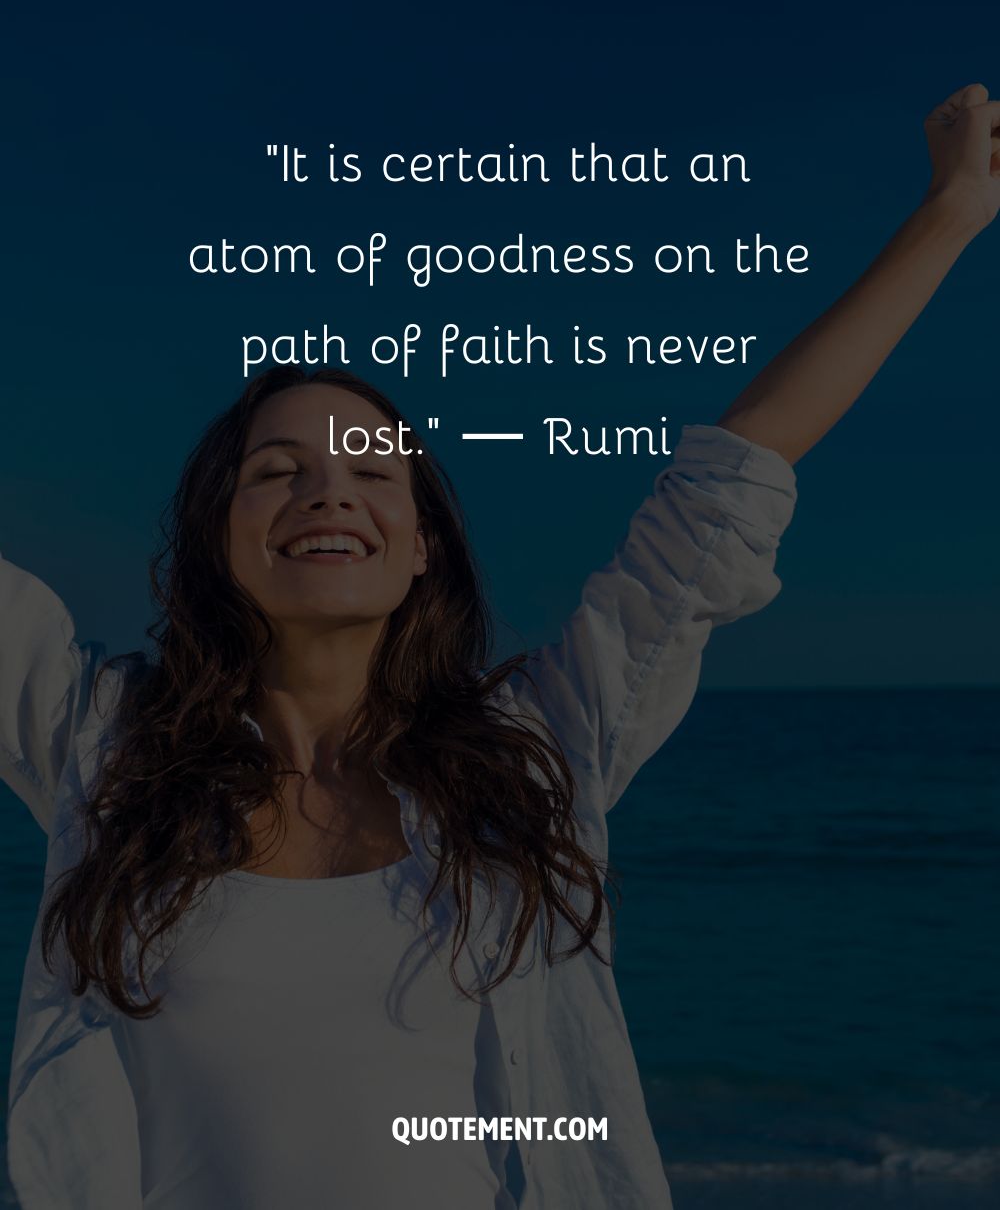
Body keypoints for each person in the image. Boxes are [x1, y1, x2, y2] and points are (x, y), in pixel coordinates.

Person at [1, 85, 997, 1209]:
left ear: (420, 545)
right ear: (216, 536)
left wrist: (952, 210)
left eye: (372, 472)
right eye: (278, 470)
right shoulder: (100, 742)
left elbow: (738, 471)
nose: (329, 491)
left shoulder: (539, 747)